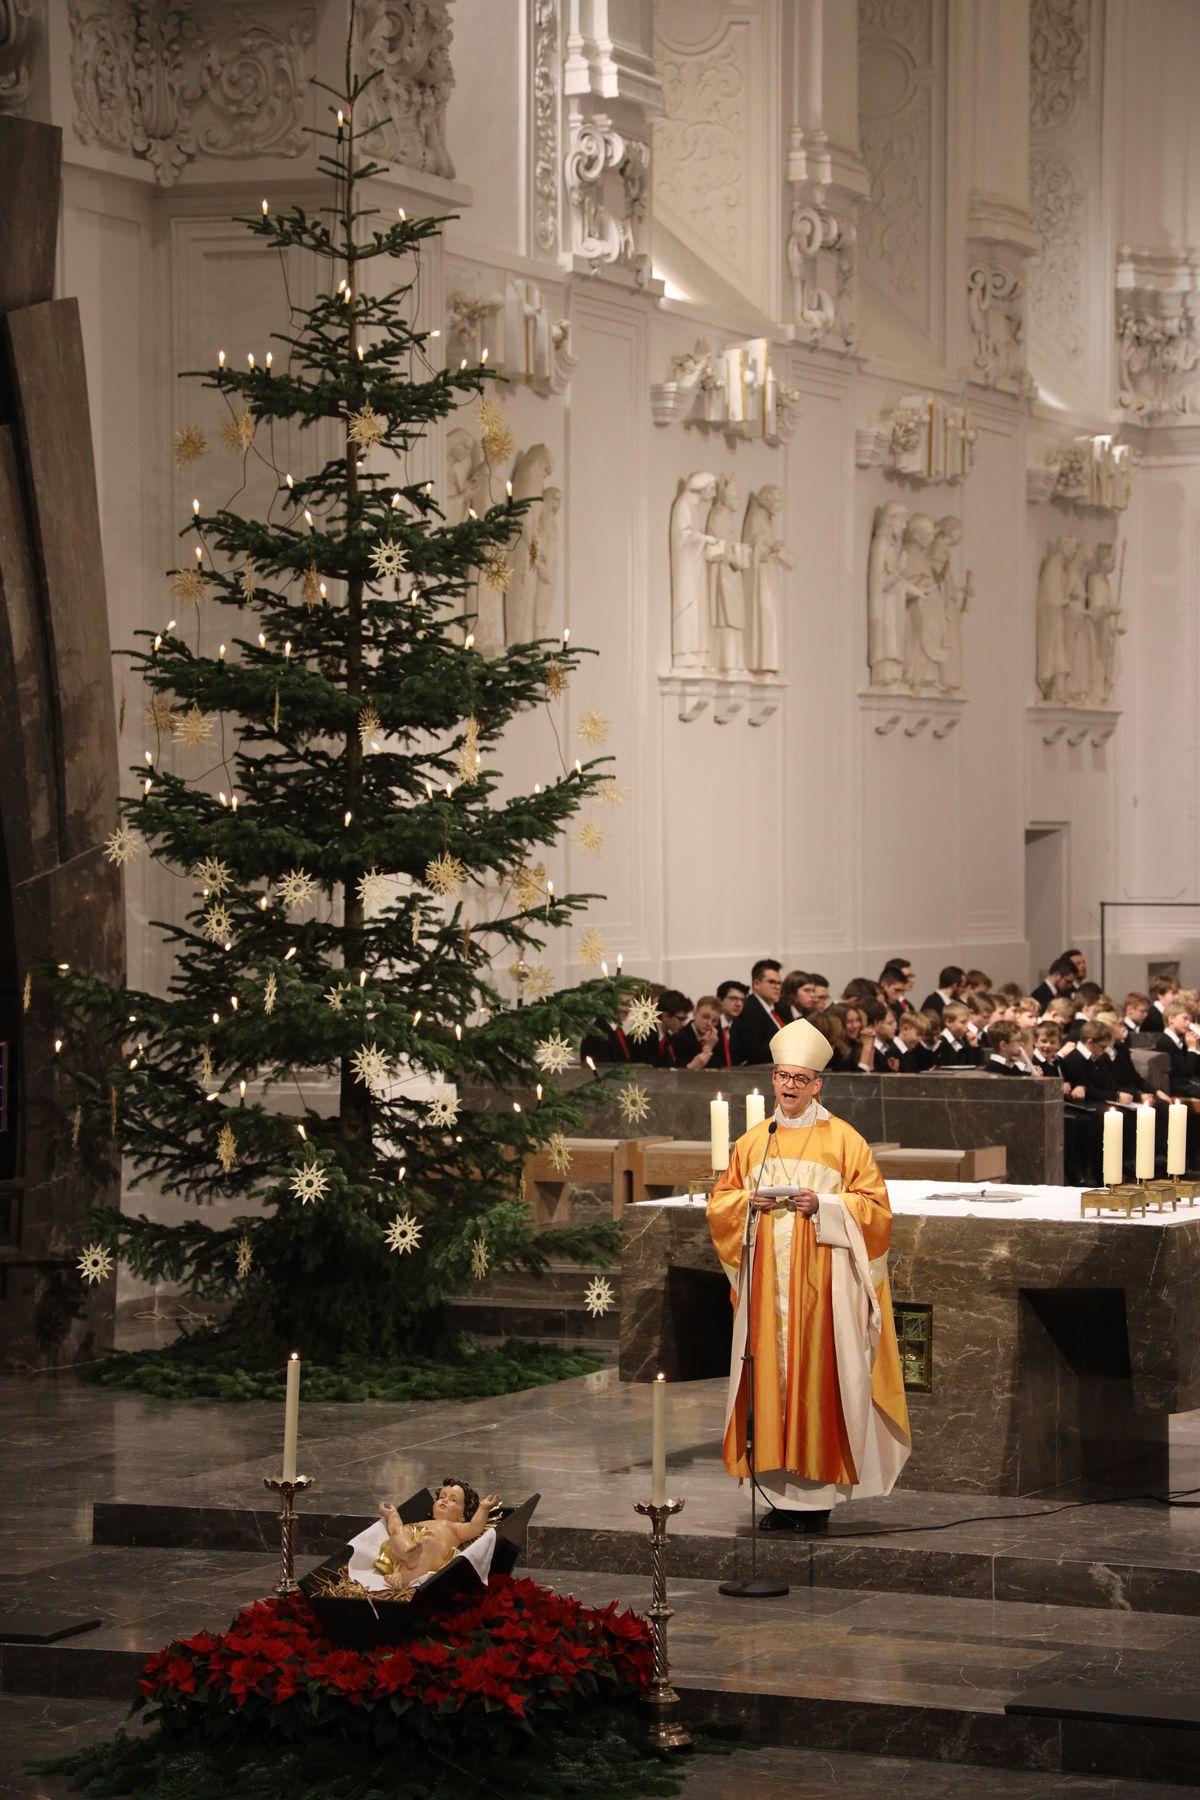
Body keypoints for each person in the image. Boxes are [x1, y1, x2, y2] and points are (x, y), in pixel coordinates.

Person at [707, 1018, 911, 1532]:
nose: (791, 1087)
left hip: (821, 1293)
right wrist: (745, 1202)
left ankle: (815, 1503)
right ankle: (778, 1499)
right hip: (766, 1293)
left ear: (818, 1084)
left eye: (801, 1079)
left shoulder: (844, 1141)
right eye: (783, 1077)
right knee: (767, 1384)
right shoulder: (755, 1142)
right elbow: (721, 1204)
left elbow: (877, 1212)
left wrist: (823, 1204)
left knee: (817, 1384)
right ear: (773, 1079)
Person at [377, 1478, 501, 1592]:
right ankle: (408, 1554)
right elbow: (394, 1529)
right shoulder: (421, 1523)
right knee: (399, 1530)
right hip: (406, 1547)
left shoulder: (455, 1528)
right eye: (442, 1497)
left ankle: (403, 1576)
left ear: (462, 1516)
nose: (445, 1501)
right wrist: (392, 1515)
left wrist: (483, 1508)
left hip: (428, 1549)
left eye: (453, 1500)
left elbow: (474, 1528)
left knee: (428, 1542)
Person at [731, 958, 794, 1065]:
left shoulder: (781, 1009)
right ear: (756, 984)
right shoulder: (747, 1009)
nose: (777, 987)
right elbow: (755, 1051)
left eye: (779, 983)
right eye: (772, 982)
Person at [671, 995, 721, 1069]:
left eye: (714, 1021)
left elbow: (716, 1069)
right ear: (695, 1014)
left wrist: (710, 1046)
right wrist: (707, 1048)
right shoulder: (680, 1037)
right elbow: (679, 1070)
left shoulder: (714, 1038)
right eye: (705, 1017)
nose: (709, 1023)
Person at [713, 981, 746, 1068]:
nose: (739, 1004)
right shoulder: (711, 1025)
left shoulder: (741, 1027)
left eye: (742, 1000)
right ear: (719, 1000)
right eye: (733, 998)